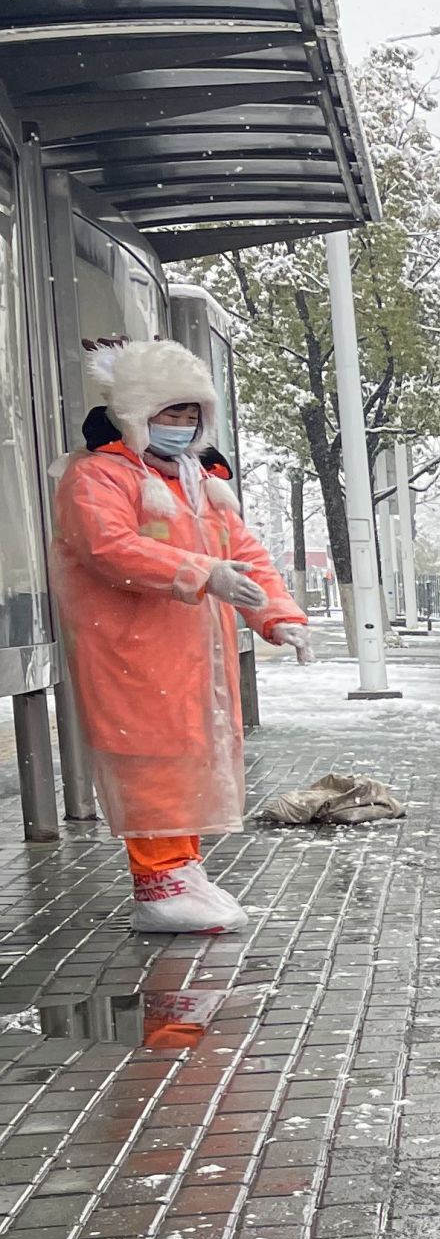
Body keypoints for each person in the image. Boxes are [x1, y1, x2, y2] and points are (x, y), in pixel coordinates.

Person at [49, 339, 311, 935]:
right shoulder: (97, 476)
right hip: (132, 654)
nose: (184, 424)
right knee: (151, 761)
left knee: (188, 759)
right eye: (172, 411)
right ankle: (158, 882)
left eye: (193, 412)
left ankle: (181, 870)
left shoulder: (200, 482)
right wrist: (201, 573)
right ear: (136, 412)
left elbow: (245, 555)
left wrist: (279, 616)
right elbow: (108, 547)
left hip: (194, 659)